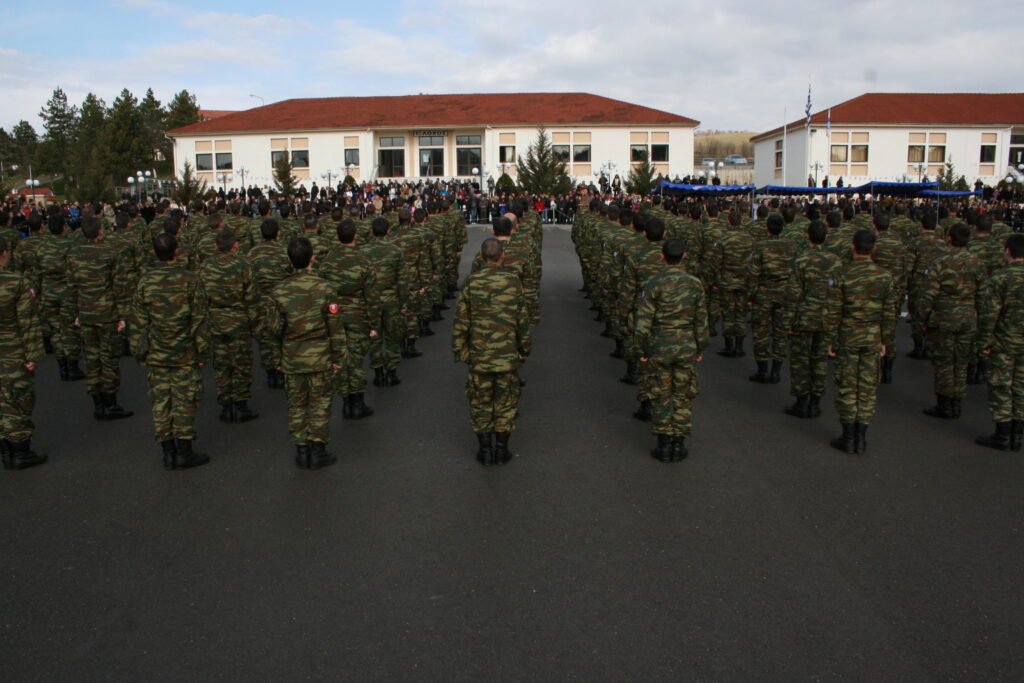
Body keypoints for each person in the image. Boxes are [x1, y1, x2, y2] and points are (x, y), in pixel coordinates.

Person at [264, 237, 347, 469]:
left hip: (292, 357)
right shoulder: (325, 288)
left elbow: (272, 331)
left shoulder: (278, 291)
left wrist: (275, 360)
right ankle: (318, 448)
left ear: (289, 260)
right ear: (312, 258)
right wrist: (339, 357)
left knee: (297, 404)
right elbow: (335, 326)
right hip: (320, 355)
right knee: (320, 402)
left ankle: (301, 449)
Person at [130, 233, 210, 470]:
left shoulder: (146, 282)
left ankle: (168, 451)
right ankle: (184, 451)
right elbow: (199, 319)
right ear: (177, 252)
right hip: (184, 351)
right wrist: (202, 351)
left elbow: (138, 322)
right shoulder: (189, 280)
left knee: (161, 402)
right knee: (185, 400)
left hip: (157, 352)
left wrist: (140, 351)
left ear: (154, 253)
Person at [452, 237, 531, 466]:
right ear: (502, 256)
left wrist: (461, 352)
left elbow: (461, 322)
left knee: (480, 402)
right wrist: (524, 350)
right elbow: (522, 322)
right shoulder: (513, 282)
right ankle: (501, 448)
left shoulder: (471, 282)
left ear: (481, 256)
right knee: (505, 403)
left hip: (479, 355)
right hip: (507, 355)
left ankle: (485, 450)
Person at [634, 238, 708, 462]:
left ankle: (663, 443)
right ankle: (679, 442)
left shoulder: (653, 284)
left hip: (659, 344)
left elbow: (642, 323)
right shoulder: (695, 284)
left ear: (661, 257)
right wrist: (700, 346)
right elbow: (701, 320)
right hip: (686, 344)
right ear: (684, 256)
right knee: (683, 394)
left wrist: (643, 349)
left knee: (661, 393)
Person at [828, 230, 895, 454]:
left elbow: (834, 311)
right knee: (866, 388)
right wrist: (886, 340)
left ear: (852, 247)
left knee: (847, 385)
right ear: (873, 249)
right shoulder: (884, 276)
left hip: (848, 335)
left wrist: (832, 339)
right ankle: (861, 437)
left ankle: (848, 436)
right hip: (873, 336)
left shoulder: (842, 274)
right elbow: (888, 313)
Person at [918, 223, 987, 420]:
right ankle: (957, 402)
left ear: (949, 239)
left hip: (944, 318)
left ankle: (945, 404)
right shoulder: (977, 263)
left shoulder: (941, 262)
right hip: (968, 318)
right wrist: (981, 319)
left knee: (944, 362)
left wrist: (923, 319)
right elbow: (983, 296)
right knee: (961, 361)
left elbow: (928, 295)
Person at [67, 217, 133, 420]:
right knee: (109, 358)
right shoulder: (110, 253)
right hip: (107, 313)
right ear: (99, 232)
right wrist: (123, 315)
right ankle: (111, 403)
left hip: (85, 313)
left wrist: (74, 314)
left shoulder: (74, 255)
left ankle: (98, 405)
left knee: (92, 359)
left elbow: (71, 288)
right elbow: (119, 287)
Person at [316, 219, 380, 419]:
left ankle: (346, 402)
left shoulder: (327, 262)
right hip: (358, 316)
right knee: (356, 360)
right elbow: (372, 296)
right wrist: (373, 323)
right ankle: (357, 403)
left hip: (335, 316)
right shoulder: (364, 261)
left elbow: (322, 293)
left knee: (340, 360)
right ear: (355, 236)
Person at [199, 228, 260, 423]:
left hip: (215, 320)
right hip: (238, 319)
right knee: (241, 363)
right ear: (235, 245)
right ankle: (241, 405)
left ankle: (226, 405)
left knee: (222, 364)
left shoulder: (206, 266)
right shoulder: (243, 264)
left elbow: (200, 297)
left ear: (216, 246)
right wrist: (255, 324)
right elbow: (251, 297)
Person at [784, 220, 841, 418]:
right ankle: (815, 402)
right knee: (819, 361)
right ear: (825, 237)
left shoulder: (801, 261)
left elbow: (793, 295)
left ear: (807, 236)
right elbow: (838, 294)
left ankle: (802, 402)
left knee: (800, 360)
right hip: (827, 318)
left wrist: (789, 322)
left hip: (804, 317)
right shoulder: (836, 261)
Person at [0, 237, 47, 470]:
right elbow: (27, 322)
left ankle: (6, 448)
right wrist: (32, 356)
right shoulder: (15, 282)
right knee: (19, 399)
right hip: (12, 350)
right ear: (4, 254)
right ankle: (21, 450)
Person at [976, 234, 1024, 451]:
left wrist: (985, 340)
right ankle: (1018, 433)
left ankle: (1002, 432)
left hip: (1005, 339)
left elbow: (990, 314)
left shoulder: (1001, 277)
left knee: (1000, 385)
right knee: (1021, 385)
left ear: (1008, 251)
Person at [747, 213, 796, 383]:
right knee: (780, 333)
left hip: (764, 293)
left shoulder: (761, 246)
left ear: (767, 228)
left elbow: (753, 273)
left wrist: (751, 295)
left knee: (761, 332)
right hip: (785, 293)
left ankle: (762, 370)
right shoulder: (791, 246)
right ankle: (776, 371)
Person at [37, 213, 86, 381]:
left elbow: (37, 272)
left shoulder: (42, 247)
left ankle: (62, 365)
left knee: (55, 330)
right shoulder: (71, 246)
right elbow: (77, 270)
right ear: (64, 228)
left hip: (48, 292)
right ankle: (72, 365)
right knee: (70, 329)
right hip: (67, 293)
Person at [361, 216, 407, 388]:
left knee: (374, 336)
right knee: (392, 335)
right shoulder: (395, 251)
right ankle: (392, 372)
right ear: (389, 231)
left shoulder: (362, 252)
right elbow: (402, 280)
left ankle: (378, 372)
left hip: (370, 300)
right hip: (391, 300)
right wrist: (403, 302)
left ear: (372, 232)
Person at [248, 218, 293, 389]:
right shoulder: (283, 252)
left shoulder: (252, 253)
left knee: (265, 336)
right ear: (278, 233)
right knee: (280, 333)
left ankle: (270, 371)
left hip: (260, 299)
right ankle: (280, 369)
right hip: (279, 298)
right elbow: (290, 273)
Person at [712, 209, 754, 358]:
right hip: (744, 282)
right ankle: (739, 346)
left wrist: (717, 281)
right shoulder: (749, 239)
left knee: (728, 314)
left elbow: (716, 263)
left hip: (727, 282)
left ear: (729, 221)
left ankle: (729, 346)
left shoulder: (723, 240)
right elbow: (753, 263)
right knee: (741, 313)